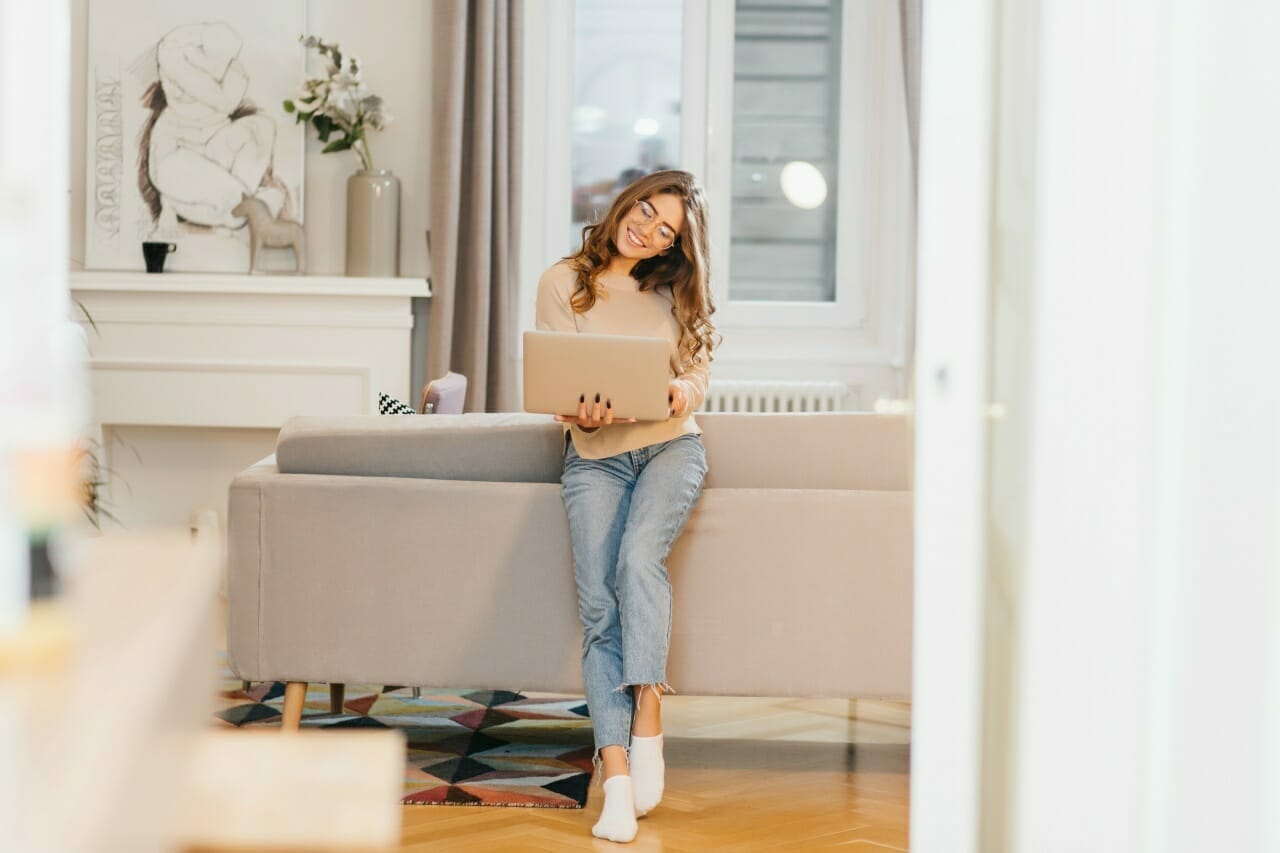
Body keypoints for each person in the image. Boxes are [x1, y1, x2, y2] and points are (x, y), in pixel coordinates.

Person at [535, 169, 716, 843]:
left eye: (665, 230)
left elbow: (697, 369)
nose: (647, 230)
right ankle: (614, 777)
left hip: (671, 447)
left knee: (639, 561)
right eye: (645, 210)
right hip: (594, 456)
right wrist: (578, 409)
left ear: (673, 245)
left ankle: (648, 718)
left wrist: (682, 391)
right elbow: (556, 382)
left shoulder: (671, 287)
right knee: (599, 608)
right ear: (625, 202)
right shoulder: (562, 282)